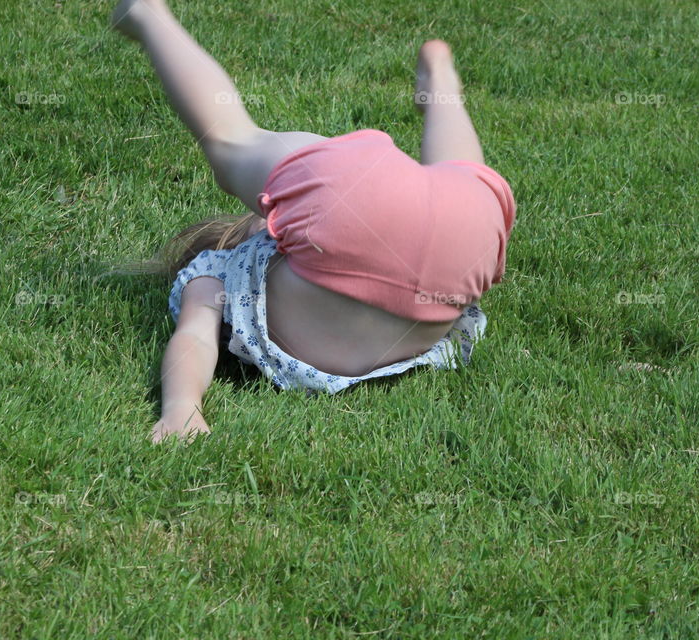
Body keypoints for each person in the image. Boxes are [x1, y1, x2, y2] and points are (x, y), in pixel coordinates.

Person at [110, 0, 516, 443]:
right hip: (389, 214)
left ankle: (444, 94)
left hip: (464, 243)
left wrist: (183, 409)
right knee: (230, 140)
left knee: (461, 178)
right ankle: (442, 92)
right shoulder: (231, 272)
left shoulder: (212, 279)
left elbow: (195, 339)